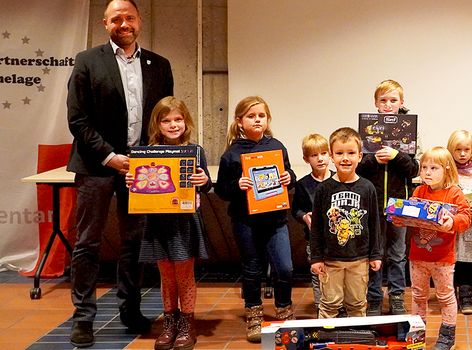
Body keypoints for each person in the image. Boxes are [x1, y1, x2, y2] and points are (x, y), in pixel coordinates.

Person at [65, 0, 174, 346]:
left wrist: (155, 157)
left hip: (143, 170)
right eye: (116, 19)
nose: (123, 23)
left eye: (129, 17)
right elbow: (77, 120)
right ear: (105, 24)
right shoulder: (87, 61)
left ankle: (130, 310)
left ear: (139, 21)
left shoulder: (159, 65)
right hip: (96, 166)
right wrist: (110, 157)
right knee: (87, 243)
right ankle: (83, 317)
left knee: (134, 242)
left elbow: (164, 119)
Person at [124, 97, 209, 350]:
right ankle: (169, 322)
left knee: (184, 273)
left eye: (178, 119)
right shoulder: (147, 152)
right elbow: (140, 186)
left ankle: (187, 324)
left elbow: (205, 185)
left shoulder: (195, 151)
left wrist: (203, 179)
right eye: (166, 121)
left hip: (184, 222)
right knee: (166, 275)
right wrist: (132, 181)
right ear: (157, 124)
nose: (173, 125)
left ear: (186, 121)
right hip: (158, 222)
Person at [215, 96, 296, 342]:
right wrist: (236, 184)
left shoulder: (277, 146)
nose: (257, 120)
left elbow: (288, 171)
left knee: (285, 267)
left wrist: (288, 177)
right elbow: (221, 190)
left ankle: (283, 309)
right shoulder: (231, 154)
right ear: (240, 121)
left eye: (261, 115)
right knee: (252, 269)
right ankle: (254, 315)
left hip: (276, 220)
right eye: (251, 116)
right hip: (245, 221)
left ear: (267, 119)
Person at [390, 147, 471, 350]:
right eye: (424, 167)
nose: (427, 172)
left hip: (443, 258)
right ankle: (418, 332)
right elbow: (411, 214)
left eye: (433, 168)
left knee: (445, 296)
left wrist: (452, 221)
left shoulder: (454, 193)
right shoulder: (419, 191)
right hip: (417, 256)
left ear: (447, 170)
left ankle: (447, 336)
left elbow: (466, 218)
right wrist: (400, 219)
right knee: (418, 295)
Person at [358, 79, 420, 316]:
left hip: (400, 203)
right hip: (371, 203)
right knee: (373, 252)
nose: (388, 105)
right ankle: (373, 296)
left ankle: (396, 295)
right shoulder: (366, 130)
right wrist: (375, 159)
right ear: (376, 103)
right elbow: (358, 166)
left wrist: (396, 155)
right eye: (383, 100)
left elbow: (414, 169)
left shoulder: (409, 131)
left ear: (401, 103)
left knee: (397, 253)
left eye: (393, 100)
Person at [309, 127, 384, 319]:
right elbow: (316, 226)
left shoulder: (368, 188)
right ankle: (325, 339)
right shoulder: (323, 189)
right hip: (331, 259)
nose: (345, 158)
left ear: (360, 156)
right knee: (330, 303)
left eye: (351, 153)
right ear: (331, 156)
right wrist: (316, 257)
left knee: (357, 303)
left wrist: (376, 254)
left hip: (359, 259)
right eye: (340, 153)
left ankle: (355, 336)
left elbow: (375, 224)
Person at [447, 130, 472, 315]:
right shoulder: (445, 171)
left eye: (466, 149)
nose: (462, 154)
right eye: (458, 150)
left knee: (467, 262)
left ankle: (466, 296)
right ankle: (449, 296)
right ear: (451, 150)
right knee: (450, 261)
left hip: (470, 226)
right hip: (450, 224)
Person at [291, 133, 332, 312]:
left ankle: (340, 307)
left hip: (338, 240)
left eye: (323, 153)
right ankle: (320, 306)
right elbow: (296, 210)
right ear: (306, 159)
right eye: (314, 155)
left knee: (337, 275)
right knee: (318, 274)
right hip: (314, 240)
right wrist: (304, 217)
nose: (320, 159)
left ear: (330, 154)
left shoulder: (339, 180)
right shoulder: (303, 184)